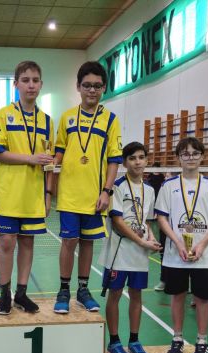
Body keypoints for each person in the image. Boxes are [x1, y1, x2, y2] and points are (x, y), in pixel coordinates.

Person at [51, 61, 122, 314]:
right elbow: (59, 151)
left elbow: (114, 159)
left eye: (97, 86)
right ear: (78, 87)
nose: (92, 90)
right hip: (69, 194)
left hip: (95, 195)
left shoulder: (111, 120)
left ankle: (82, 290)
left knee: (88, 242)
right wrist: (49, 164)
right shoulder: (67, 117)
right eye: (87, 85)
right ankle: (63, 290)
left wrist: (107, 191)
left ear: (104, 88)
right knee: (69, 241)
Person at [0, 61, 54, 315]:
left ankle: (22, 294)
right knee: (6, 243)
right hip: (8, 195)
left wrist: (48, 194)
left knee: (27, 243)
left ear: (41, 84)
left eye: (35, 80)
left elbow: (49, 163)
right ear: (16, 84)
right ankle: (5, 293)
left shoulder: (47, 121)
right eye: (25, 80)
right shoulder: (4, 114)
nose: (31, 85)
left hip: (33, 195)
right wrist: (30, 158)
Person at [155, 137, 208, 353]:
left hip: (203, 256)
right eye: (185, 154)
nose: (190, 158)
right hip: (175, 254)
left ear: (202, 156)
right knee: (177, 295)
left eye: (195, 153)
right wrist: (178, 243)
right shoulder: (168, 186)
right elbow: (162, 218)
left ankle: (202, 342)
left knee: (202, 298)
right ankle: (177, 339)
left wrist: (202, 244)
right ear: (178, 158)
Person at [100, 142, 161, 353]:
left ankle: (134, 340)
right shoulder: (117, 186)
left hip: (139, 252)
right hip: (119, 250)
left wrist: (151, 238)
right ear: (125, 163)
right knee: (115, 294)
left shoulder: (150, 190)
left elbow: (147, 221)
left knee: (137, 294)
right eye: (132, 158)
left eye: (141, 157)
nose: (138, 162)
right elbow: (117, 222)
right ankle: (114, 341)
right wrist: (142, 242)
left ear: (147, 160)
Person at [147, 162, 168, 292]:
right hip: (164, 226)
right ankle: (164, 280)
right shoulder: (150, 180)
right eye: (168, 176)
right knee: (163, 253)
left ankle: (187, 283)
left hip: (179, 229)